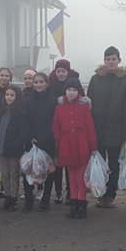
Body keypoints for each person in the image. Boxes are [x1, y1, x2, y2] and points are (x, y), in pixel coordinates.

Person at [87, 46, 126, 208]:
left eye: (113, 59)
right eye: (107, 59)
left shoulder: (125, 82)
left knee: (113, 164)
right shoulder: (95, 79)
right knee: (99, 163)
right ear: (104, 61)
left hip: (116, 130)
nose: (110, 62)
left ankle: (110, 194)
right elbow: (89, 105)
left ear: (119, 60)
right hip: (98, 129)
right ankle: (99, 192)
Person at [53, 78, 96, 219]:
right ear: (65, 91)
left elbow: (90, 127)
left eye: (74, 90)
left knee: (81, 176)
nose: (71, 93)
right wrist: (59, 140)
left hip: (81, 143)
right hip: (66, 144)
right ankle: (74, 204)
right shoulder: (59, 107)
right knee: (71, 176)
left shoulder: (84, 107)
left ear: (78, 92)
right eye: (69, 90)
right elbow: (56, 126)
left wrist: (93, 146)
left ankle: (81, 204)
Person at [46, 59, 79, 204]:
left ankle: (70, 192)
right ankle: (58, 191)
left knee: (70, 163)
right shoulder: (50, 83)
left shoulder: (74, 83)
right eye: (58, 71)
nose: (60, 74)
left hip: (70, 129)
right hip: (55, 126)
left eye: (63, 71)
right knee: (57, 163)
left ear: (68, 71)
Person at [24, 72, 57, 212]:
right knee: (28, 170)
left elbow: (54, 122)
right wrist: (30, 137)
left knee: (48, 171)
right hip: (31, 140)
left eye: (41, 82)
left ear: (46, 83)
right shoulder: (28, 100)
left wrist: (46, 137)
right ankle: (29, 200)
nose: (38, 84)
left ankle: (45, 199)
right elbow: (25, 120)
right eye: (36, 82)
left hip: (48, 140)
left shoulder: (52, 100)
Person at [0, 86, 26, 212]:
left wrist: (16, 144)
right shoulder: (2, 111)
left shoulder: (21, 113)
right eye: (7, 94)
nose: (9, 97)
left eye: (12, 95)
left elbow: (22, 132)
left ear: (17, 97)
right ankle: (7, 197)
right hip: (1, 148)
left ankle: (13, 199)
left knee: (14, 174)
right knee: (4, 174)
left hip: (14, 149)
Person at [0, 67, 14, 199]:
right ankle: (0, 184)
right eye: (2, 75)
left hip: (8, 127)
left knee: (8, 163)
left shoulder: (12, 91)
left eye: (7, 75)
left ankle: (5, 188)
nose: (4, 78)